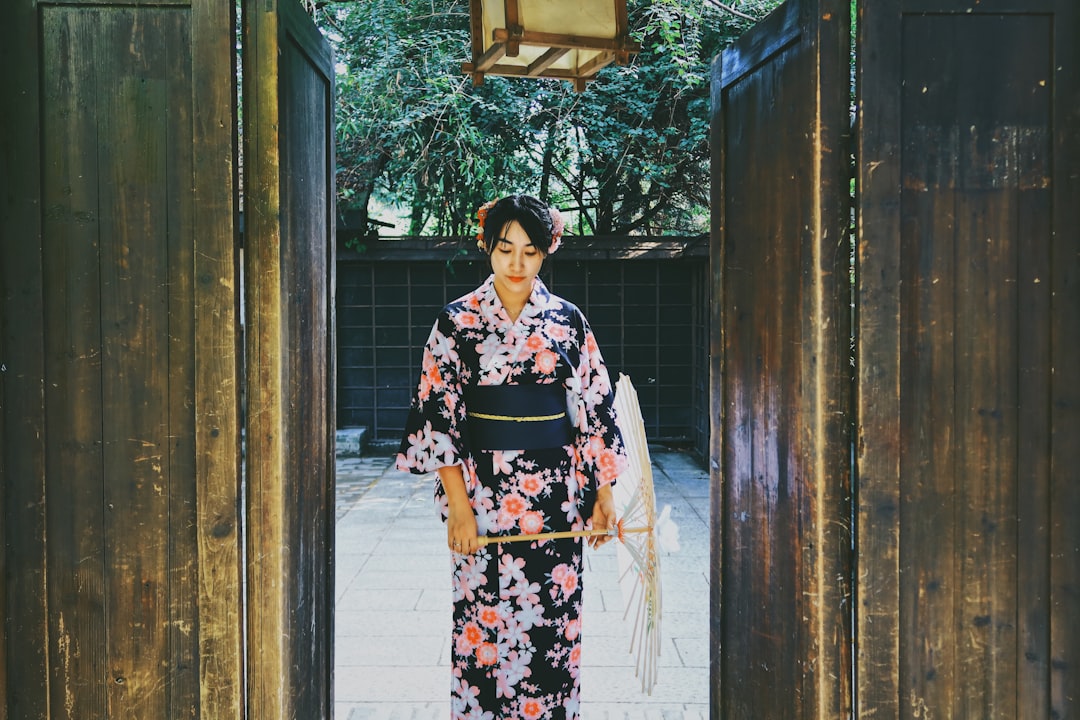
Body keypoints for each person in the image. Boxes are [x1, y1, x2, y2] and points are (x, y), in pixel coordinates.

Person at [396, 194, 628, 719]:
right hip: (483, 494)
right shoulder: (456, 322)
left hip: (555, 497)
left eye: (530, 250)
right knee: (483, 624)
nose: (517, 264)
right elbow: (439, 417)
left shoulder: (568, 322)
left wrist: (604, 496)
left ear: (546, 252)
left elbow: (594, 410)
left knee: (551, 625)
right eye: (505, 249)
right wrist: (457, 505)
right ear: (487, 248)